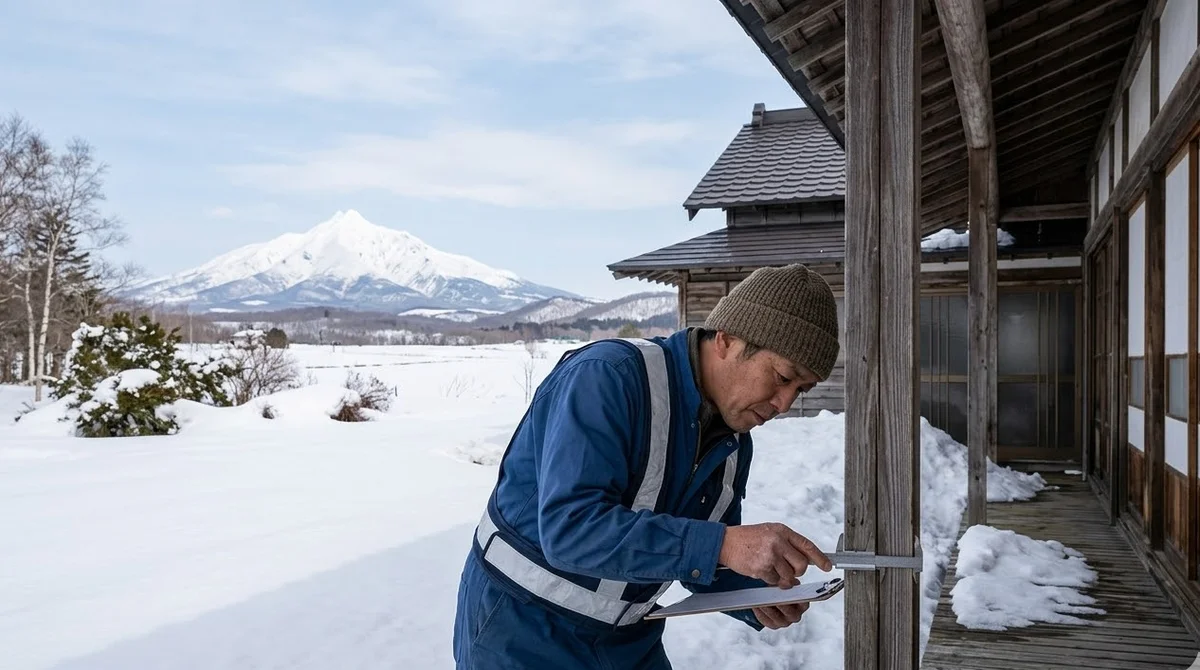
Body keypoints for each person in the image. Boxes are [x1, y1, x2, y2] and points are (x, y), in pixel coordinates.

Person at [453, 263, 841, 669]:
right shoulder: (608, 378)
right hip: (522, 632)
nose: (784, 405)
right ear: (726, 339)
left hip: (627, 640)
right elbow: (571, 528)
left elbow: (695, 552)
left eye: (801, 390)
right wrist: (724, 545)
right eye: (782, 377)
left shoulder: (732, 439)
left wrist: (754, 593)